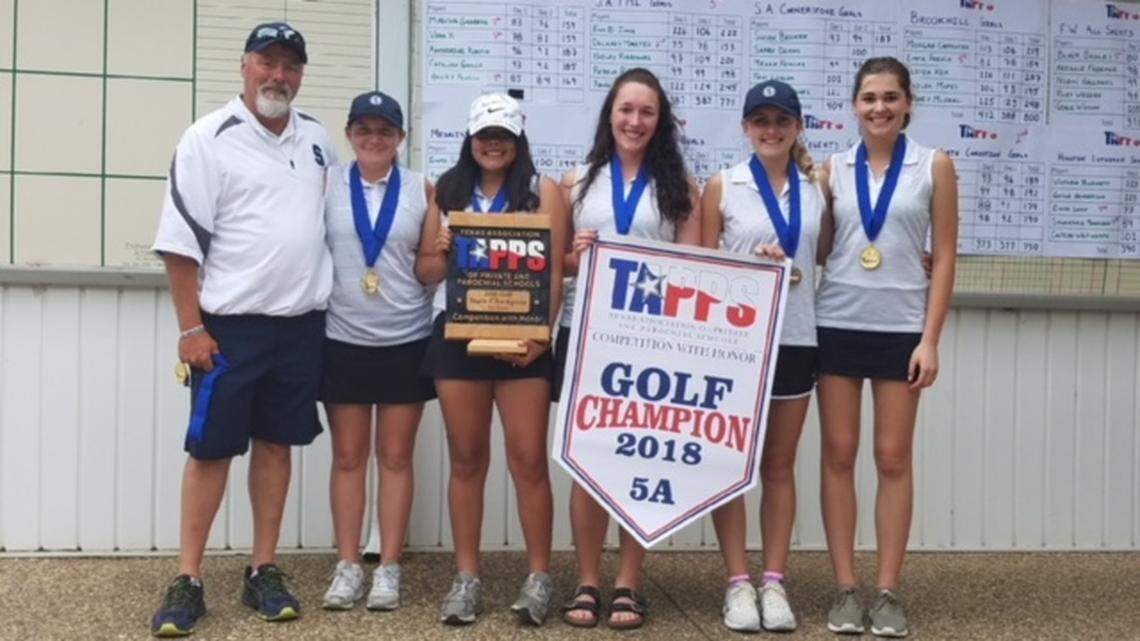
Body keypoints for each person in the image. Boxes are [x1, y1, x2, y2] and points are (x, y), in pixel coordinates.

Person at [149, 22, 338, 637]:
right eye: (268, 62)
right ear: (245, 66)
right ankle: (189, 578)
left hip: (300, 327)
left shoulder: (316, 140)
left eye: (291, 65)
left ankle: (263, 568)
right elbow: (181, 247)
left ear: (301, 75)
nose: (278, 75)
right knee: (210, 451)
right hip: (228, 330)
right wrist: (189, 329)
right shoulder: (209, 139)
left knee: (277, 444)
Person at [555, 67, 704, 631]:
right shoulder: (576, 182)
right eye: (625, 110)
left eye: (646, 112)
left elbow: (695, 274)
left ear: (659, 121)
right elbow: (561, 265)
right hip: (586, 334)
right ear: (609, 115)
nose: (634, 121)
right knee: (588, 460)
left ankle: (629, 582)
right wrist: (574, 253)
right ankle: (588, 579)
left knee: (639, 460)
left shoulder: (681, 189)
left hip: (651, 344)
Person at [815, 56, 957, 638]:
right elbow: (821, 247)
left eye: (891, 98)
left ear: (908, 104)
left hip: (901, 330)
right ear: (854, 105)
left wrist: (930, 338)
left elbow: (945, 253)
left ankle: (889, 591)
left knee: (893, 458)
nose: (880, 108)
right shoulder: (832, 167)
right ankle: (847, 588)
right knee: (839, 455)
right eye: (869, 98)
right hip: (837, 322)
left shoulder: (934, 165)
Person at [414, 93, 568, 626]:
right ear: (470, 137)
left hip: (522, 338)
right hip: (459, 334)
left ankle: (540, 576)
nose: (493, 143)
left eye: (503, 133)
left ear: (518, 137)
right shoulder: (448, 188)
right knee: (467, 459)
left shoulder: (541, 190)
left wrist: (542, 335)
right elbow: (426, 275)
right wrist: (440, 247)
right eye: (485, 134)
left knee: (528, 459)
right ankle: (466, 577)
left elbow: (553, 272)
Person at [699, 79, 828, 632]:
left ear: (798, 126)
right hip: (736, 342)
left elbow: (830, 254)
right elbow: (701, 269)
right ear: (746, 127)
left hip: (797, 337)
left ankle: (774, 581)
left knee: (778, 465)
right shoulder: (722, 185)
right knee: (732, 464)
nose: (771, 130)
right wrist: (751, 265)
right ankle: (736, 583)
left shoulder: (819, 186)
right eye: (761, 121)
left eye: (781, 120)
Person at [318, 91, 436, 612]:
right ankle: (347, 565)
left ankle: (388, 566)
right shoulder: (326, 186)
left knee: (395, 457)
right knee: (347, 457)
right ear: (349, 134)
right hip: (341, 338)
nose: (374, 139)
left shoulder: (420, 190)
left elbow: (430, 266)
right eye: (363, 129)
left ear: (400, 138)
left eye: (384, 130)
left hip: (405, 338)